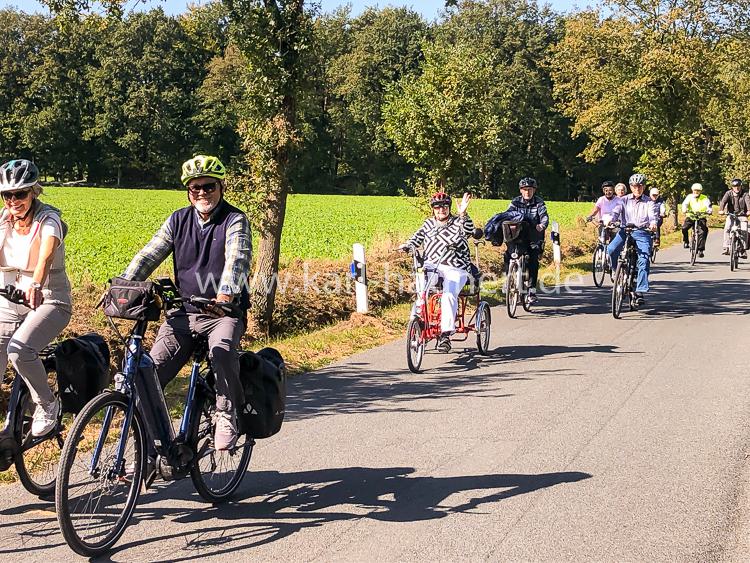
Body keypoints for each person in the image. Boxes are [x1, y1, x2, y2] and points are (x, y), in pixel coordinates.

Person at [121, 155, 251, 450]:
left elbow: (237, 259)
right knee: (149, 373)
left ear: (221, 187)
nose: (202, 193)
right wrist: (124, 284)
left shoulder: (234, 220)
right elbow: (149, 254)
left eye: (209, 187)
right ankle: (153, 445)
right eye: (196, 189)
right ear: (188, 192)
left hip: (222, 313)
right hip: (185, 312)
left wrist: (225, 296)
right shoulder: (178, 220)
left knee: (221, 352)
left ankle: (226, 411)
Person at [0, 159, 72, 436]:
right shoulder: (4, 221)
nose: (13, 200)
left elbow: (45, 256)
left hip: (49, 300)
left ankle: (46, 404)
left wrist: (36, 284)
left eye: (20, 193)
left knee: (19, 350)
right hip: (8, 301)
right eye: (7, 195)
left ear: (34, 192)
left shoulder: (48, 219)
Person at [400, 191, 474, 353]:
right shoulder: (428, 224)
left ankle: (445, 334)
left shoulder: (457, 222)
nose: (442, 210)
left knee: (449, 294)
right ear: (433, 209)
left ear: (449, 208)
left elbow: (468, 231)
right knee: (422, 292)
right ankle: (417, 324)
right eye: (438, 207)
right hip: (432, 266)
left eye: (445, 206)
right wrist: (407, 245)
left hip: (456, 267)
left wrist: (463, 213)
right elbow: (416, 238)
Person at [607, 173, 658, 306]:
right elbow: (616, 211)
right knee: (611, 249)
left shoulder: (649, 202)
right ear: (630, 187)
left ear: (644, 187)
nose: (637, 188)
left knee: (644, 259)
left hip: (642, 232)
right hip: (625, 231)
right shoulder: (623, 200)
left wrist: (653, 224)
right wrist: (611, 220)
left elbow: (653, 216)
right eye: (635, 186)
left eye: (640, 186)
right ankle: (615, 271)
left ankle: (640, 290)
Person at [496, 177, 549, 305]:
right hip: (517, 235)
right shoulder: (515, 202)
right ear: (521, 190)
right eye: (525, 190)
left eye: (530, 190)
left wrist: (541, 225)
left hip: (533, 235)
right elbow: (508, 214)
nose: (527, 192)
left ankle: (531, 290)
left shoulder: (539, 202)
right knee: (508, 255)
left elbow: (544, 217)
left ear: (534, 190)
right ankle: (507, 280)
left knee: (533, 258)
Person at [719, 178, 749, 258]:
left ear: (740, 186)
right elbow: (723, 202)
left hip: (742, 215)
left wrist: (749, 211)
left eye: (738, 186)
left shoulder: (745, 194)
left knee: (744, 230)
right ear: (732, 187)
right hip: (731, 214)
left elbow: (748, 202)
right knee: (727, 228)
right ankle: (727, 247)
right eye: (735, 186)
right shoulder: (728, 193)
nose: (737, 188)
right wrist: (721, 210)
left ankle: (743, 249)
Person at [681, 183, 712, 257]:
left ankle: (700, 250)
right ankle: (686, 241)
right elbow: (685, 204)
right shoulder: (689, 197)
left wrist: (709, 211)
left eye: (698, 191)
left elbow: (708, 206)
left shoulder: (704, 198)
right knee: (684, 228)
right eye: (695, 190)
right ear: (692, 190)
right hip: (691, 216)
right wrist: (684, 210)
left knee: (703, 231)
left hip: (701, 217)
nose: (696, 192)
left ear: (700, 191)